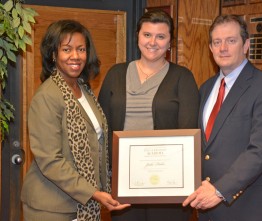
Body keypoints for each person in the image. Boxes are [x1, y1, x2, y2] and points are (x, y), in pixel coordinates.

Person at [21, 19, 130, 221]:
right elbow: (51, 161)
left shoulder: (83, 89)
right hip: (52, 207)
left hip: (82, 205)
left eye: (81, 49)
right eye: (67, 49)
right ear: (53, 55)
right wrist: (94, 193)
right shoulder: (47, 96)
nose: (75, 56)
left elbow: (96, 145)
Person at [182, 14, 262, 221]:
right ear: (211, 48)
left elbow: (261, 150)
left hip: (249, 207)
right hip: (208, 207)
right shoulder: (205, 89)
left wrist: (220, 190)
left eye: (231, 41)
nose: (223, 48)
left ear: (246, 44)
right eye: (217, 42)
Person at [98, 10, 199, 221]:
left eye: (161, 36)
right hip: (124, 181)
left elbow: (188, 132)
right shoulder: (116, 74)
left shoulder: (183, 78)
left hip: (168, 185)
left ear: (170, 42)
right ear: (137, 37)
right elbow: (102, 127)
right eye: (147, 35)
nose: (153, 42)